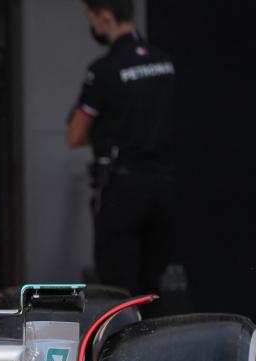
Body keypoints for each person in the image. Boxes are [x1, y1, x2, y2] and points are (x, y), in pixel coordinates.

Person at [67, 0, 178, 299]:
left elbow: (75, 134)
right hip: (165, 186)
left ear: (105, 17)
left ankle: (122, 344)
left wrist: (108, 131)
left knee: (118, 289)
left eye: (91, 19)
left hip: (123, 189)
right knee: (156, 285)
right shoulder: (165, 62)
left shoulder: (104, 70)